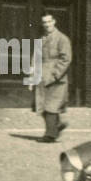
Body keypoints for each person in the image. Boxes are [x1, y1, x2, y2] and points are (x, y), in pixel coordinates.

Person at [33, 13, 72, 142]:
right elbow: (36, 57)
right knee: (41, 105)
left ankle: (50, 135)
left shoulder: (62, 39)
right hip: (42, 76)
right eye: (44, 22)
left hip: (56, 79)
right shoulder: (41, 39)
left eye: (49, 21)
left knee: (51, 106)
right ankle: (57, 126)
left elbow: (66, 59)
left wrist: (55, 74)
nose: (47, 25)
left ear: (54, 22)